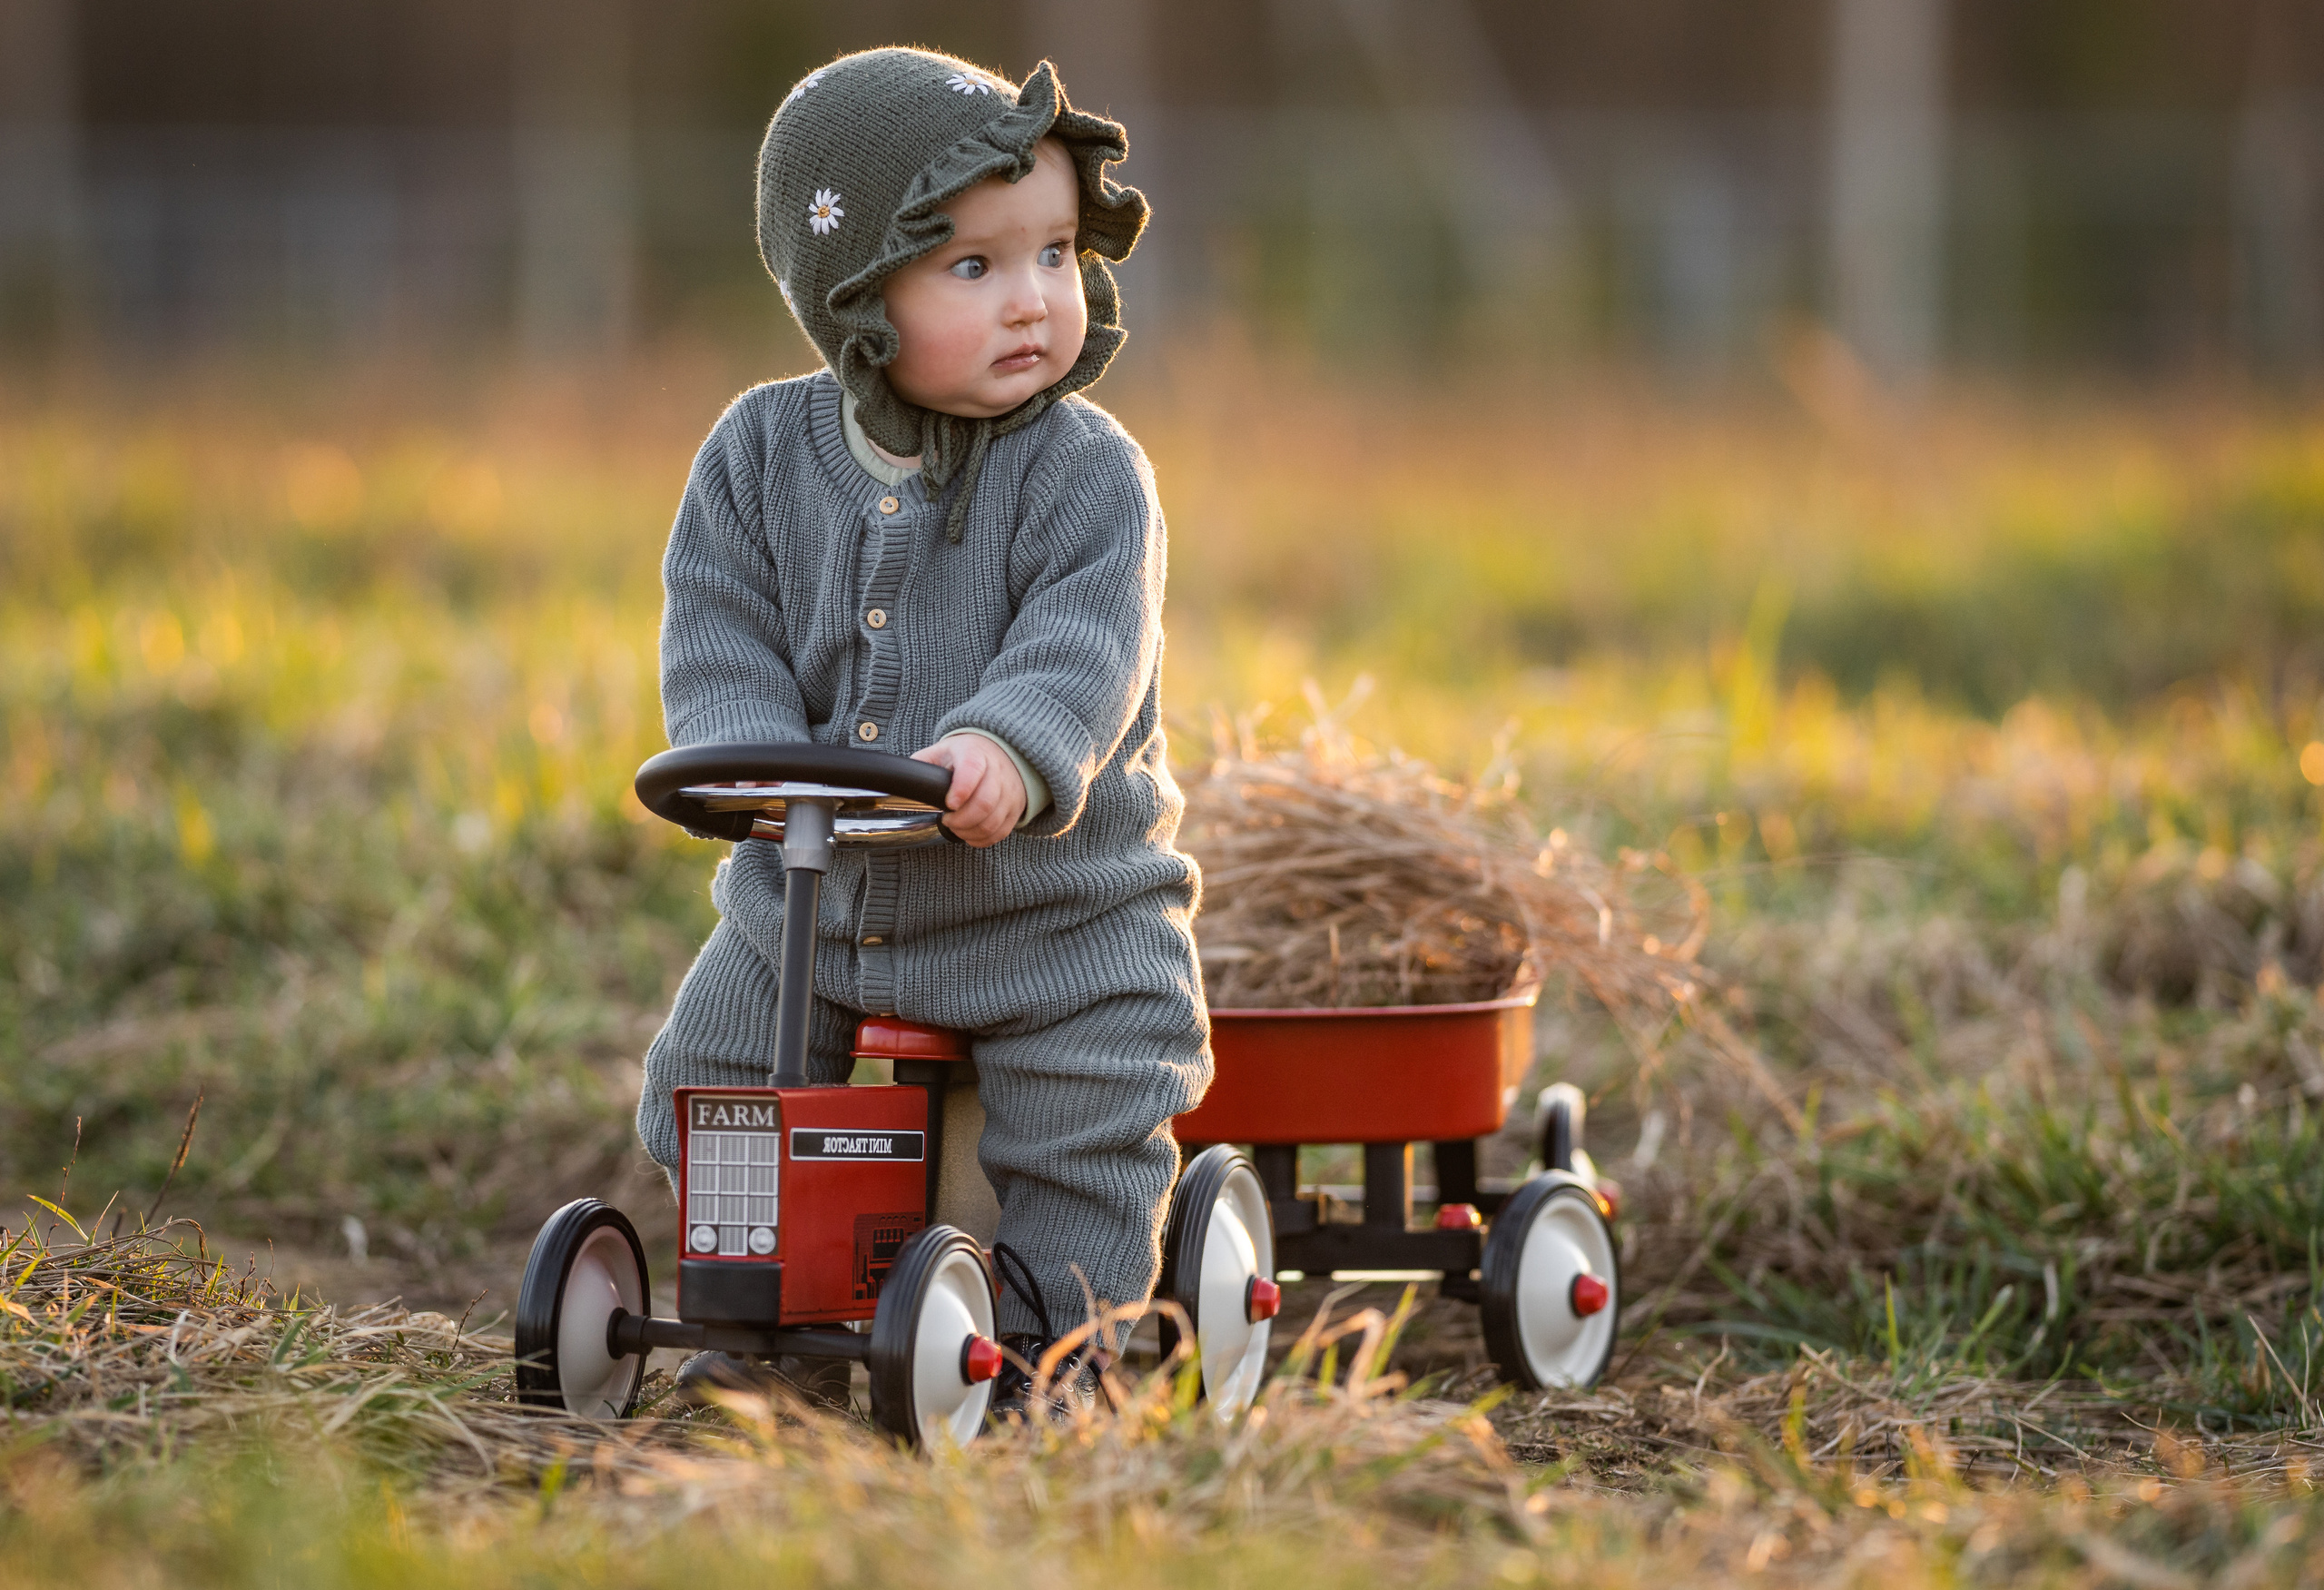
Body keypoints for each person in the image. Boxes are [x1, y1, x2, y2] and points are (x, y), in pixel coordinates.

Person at [636, 46, 1207, 1418]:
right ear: (854, 297)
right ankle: (764, 1301)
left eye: (1057, 254)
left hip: (1051, 913)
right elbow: (717, 624)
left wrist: (1010, 747)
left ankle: (1052, 1348)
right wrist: (747, 760)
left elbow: (1088, 644)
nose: (1035, 300)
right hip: (818, 905)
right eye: (975, 268)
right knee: (709, 1078)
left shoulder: (1087, 475)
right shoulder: (757, 457)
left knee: (1091, 1110)